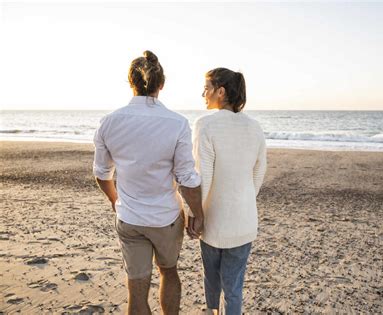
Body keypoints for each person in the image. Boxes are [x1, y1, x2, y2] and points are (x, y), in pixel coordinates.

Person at [93, 50, 204, 315]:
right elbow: (186, 178)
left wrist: (114, 200)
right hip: (165, 218)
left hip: (130, 219)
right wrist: (197, 214)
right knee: (168, 273)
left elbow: (101, 173)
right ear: (161, 85)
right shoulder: (177, 123)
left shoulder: (109, 122)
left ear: (131, 82)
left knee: (137, 287)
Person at [191, 68, 267, 314]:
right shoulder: (254, 127)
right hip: (244, 220)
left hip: (214, 220)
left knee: (211, 279)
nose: (203, 93)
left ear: (220, 92)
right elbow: (258, 172)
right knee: (234, 288)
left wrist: (194, 214)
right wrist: (242, 199)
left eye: (207, 88)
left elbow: (203, 176)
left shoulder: (205, 124)